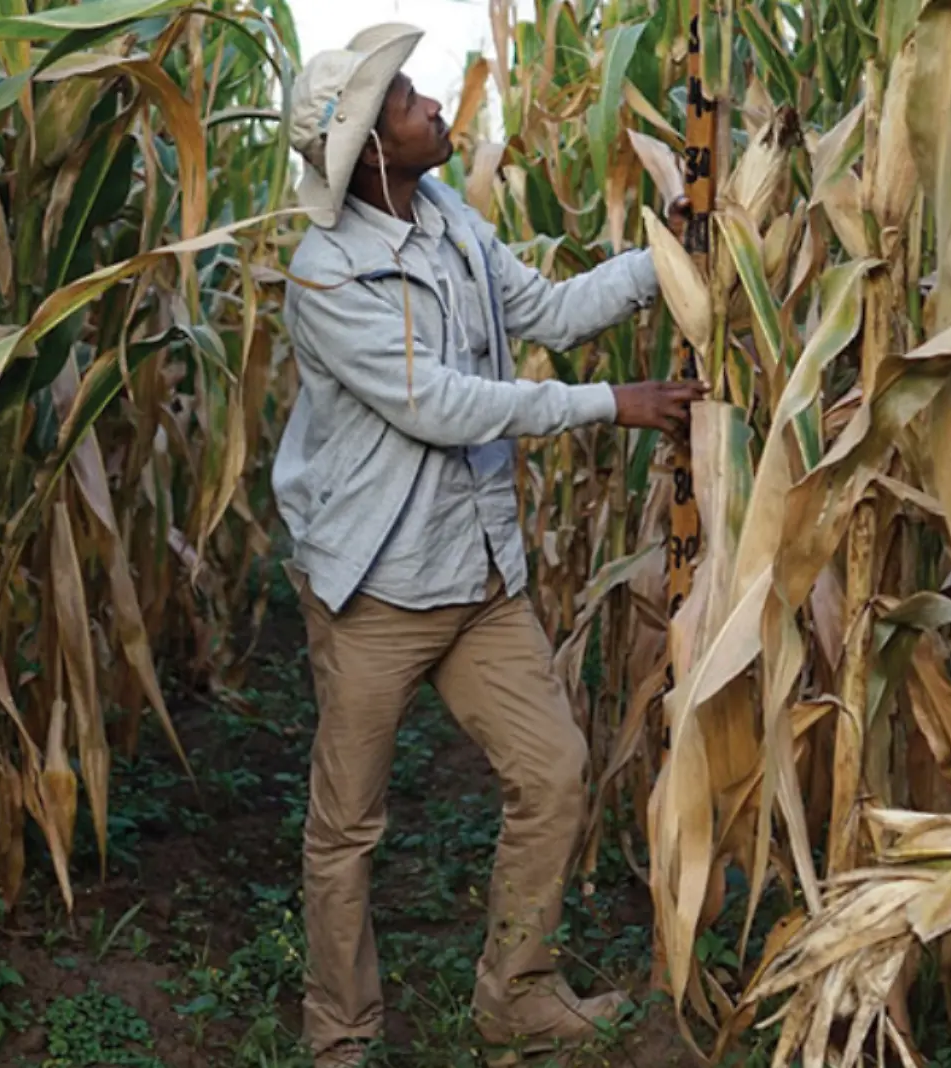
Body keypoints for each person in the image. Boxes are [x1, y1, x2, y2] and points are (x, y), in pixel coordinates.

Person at [274, 22, 705, 1068]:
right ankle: (340, 1036)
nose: (432, 108)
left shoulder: (453, 222)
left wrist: (667, 252)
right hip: (375, 589)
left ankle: (514, 997)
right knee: (348, 830)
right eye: (408, 101)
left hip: (477, 579)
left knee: (554, 777)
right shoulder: (326, 277)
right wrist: (615, 403)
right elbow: (439, 403)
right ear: (371, 150)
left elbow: (550, 309)